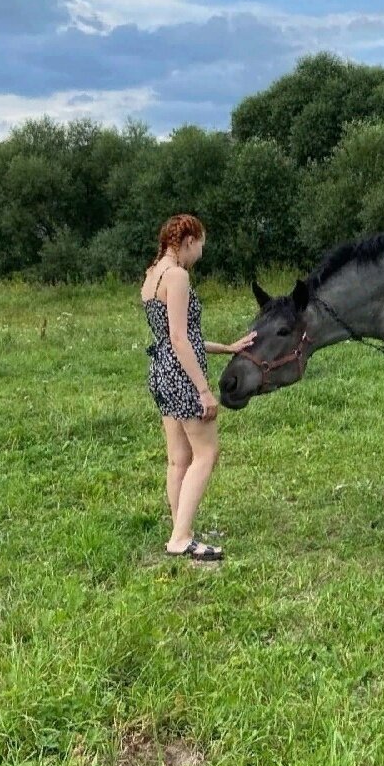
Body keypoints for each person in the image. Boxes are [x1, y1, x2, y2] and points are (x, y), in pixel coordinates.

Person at [141, 214, 255, 561]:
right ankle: (181, 539)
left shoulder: (152, 275)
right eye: (201, 245)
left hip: (161, 369)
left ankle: (181, 530)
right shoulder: (177, 276)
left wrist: (229, 347)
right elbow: (179, 338)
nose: (201, 253)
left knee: (179, 460)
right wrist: (204, 390)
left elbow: (177, 336)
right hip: (181, 374)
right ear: (188, 240)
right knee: (206, 453)